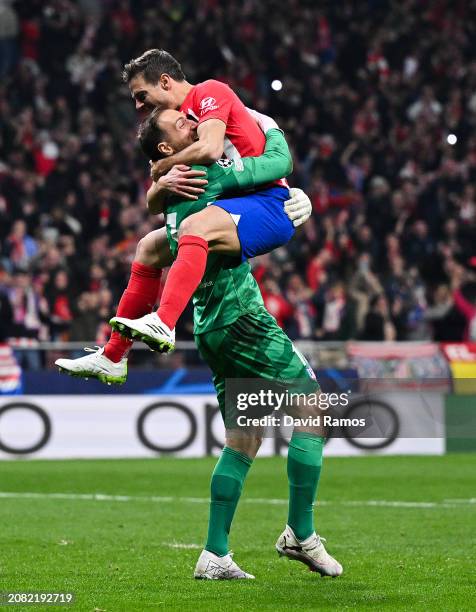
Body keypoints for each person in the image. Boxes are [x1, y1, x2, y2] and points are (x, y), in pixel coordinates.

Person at [134, 105, 343, 580]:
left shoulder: (175, 189)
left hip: (211, 327)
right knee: (313, 413)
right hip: (242, 318)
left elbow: (226, 186)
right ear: (169, 148)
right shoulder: (199, 176)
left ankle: (214, 553)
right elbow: (268, 163)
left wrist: (157, 178)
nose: (194, 123)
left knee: (244, 438)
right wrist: (292, 190)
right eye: (180, 125)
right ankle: (301, 534)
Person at [109, 48, 311, 354]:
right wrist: (161, 180)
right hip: (234, 213)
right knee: (148, 247)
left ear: (164, 82)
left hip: (266, 203)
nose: (137, 105)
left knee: (195, 226)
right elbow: (153, 203)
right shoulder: (174, 127)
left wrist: (163, 166)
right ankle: (114, 353)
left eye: (140, 94)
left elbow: (217, 150)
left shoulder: (205, 98)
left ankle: (164, 322)